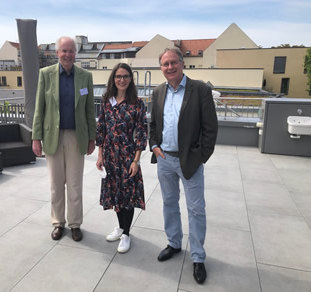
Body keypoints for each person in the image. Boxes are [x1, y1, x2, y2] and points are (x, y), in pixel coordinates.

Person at [149, 48, 218, 284]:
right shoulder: (158, 91)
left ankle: (198, 257)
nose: (169, 67)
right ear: (161, 68)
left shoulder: (200, 90)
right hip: (164, 159)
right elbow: (153, 124)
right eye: (165, 64)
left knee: (196, 209)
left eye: (173, 63)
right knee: (169, 203)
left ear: (182, 64)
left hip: (190, 160)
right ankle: (174, 243)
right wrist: (154, 146)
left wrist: (201, 157)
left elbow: (210, 128)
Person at [32, 36, 96, 242]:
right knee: (56, 184)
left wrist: (92, 137)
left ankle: (75, 224)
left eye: (71, 51)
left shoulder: (85, 76)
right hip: (53, 136)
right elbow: (39, 108)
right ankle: (58, 222)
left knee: (75, 184)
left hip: (77, 136)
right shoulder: (46, 75)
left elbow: (89, 110)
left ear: (75, 54)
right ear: (57, 53)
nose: (68, 54)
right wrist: (36, 137)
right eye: (64, 50)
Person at [96, 63, 147, 253]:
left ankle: (126, 233)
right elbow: (101, 129)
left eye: (126, 76)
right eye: (118, 76)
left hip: (127, 156)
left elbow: (141, 133)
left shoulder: (137, 103)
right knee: (115, 194)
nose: (122, 80)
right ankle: (120, 227)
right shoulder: (107, 101)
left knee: (128, 195)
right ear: (113, 78)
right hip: (110, 156)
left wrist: (136, 160)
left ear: (131, 79)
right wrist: (100, 155)